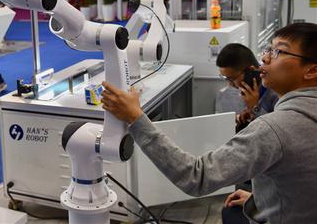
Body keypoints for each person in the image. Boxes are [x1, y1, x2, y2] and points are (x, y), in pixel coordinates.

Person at [101, 22, 317, 224]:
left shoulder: (274, 128)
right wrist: (260, 197)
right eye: (268, 50)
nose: (266, 58)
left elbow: (197, 176)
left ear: (312, 70)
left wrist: (135, 118)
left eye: (278, 51)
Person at [217, 43, 279, 130]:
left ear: (250, 71)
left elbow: (275, 131)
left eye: (232, 78)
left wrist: (254, 107)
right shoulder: (247, 91)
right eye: (226, 78)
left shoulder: (276, 91)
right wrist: (250, 114)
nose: (230, 84)